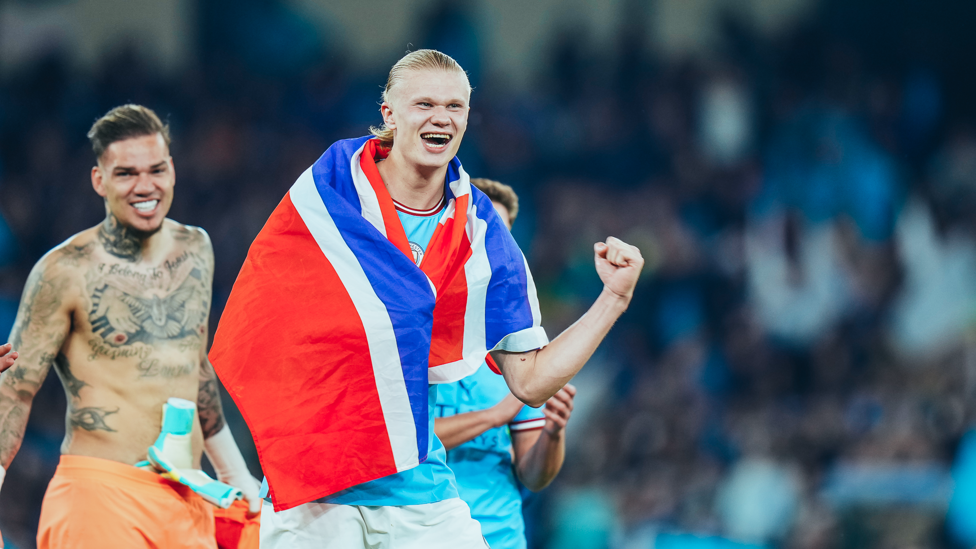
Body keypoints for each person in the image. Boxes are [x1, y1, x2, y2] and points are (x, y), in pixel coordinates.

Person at [209, 49, 643, 549]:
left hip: (417, 487)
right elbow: (262, 320)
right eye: (425, 104)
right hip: (313, 487)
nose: (441, 117)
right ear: (388, 114)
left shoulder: (481, 236)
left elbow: (530, 381)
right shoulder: (330, 193)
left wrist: (613, 299)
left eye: (455, 107)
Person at [0, 105, 261, 549]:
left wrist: (237, 475)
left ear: (172, 170)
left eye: (156, 170)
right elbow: (15, 391)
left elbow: (195, 369)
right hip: (99, 495)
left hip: (187, 496)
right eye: (126, 173)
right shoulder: (64, 270)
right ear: (99, 180)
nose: (145, 186)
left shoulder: (196, 249)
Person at [435, 178, 575, 549]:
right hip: (422, 533)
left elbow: (533, 476)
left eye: (503, 238)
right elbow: (397, 441)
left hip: (499, 536)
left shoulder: (522, 344)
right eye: (481, 232)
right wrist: (494, 416)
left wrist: (553, 432)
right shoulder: (415, 331)